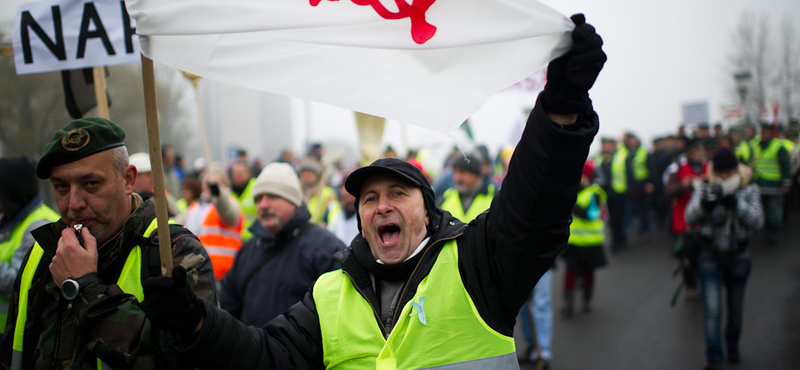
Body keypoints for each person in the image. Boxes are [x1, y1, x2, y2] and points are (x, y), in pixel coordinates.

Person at [141, 14, 605, 369]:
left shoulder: (476, 263)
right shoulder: (329, 293)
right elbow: (266, 355)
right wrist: (196, 319)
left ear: (427, 208)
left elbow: (534, 207)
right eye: (368, 199)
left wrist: (561, 108)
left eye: (398, 193)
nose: (381, 205)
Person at [0, 117, 217, 369]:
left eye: (91, 184)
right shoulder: (43, 250)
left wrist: (86, 288)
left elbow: (189, 358)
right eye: (61, 187)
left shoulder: (174, 252)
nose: (74, 203)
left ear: (128, 180)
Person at [221, 163, 345, 327]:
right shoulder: (247, 250)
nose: (264, 205)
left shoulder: (326, 248)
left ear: (293, 201)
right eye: (258, 199)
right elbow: (229, 310)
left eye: (272, 197)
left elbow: (337, 316)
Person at [684, 148, 763, 370]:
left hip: (739, 256)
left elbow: (757, 222)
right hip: (710, 256)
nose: (725, 177)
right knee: (712, 310)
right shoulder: (705, 187)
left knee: (735, 311)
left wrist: (736, 205)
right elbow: (688, 217)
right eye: (721, 172)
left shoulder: (749, 189)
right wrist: (704, 206)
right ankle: (714, 358)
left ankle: (732, 347)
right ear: (714, 172)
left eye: (729, 172)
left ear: (736, 170)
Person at [0, 156, 60, 343]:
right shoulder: (10, 219)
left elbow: (20, 284)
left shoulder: (39, 226)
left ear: (11, 192)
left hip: (20, 334)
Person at [559, 160, 607, 318]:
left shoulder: (595, 192)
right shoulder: (572, 190)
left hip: (590, 243)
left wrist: (571, 205)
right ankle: (569, 305)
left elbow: (592, 214)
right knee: (570, 272)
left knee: (588, 273)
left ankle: (586, 300)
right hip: (573, 241)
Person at [184, 164, 244, 281]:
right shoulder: (195, 207)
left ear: (224, 184)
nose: (209, 186)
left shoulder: (230, 202)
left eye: (214, 183)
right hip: (199, 272)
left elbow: (229, 215)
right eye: (206, 182)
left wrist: (219, 195)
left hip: (224, 273)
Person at [665, 139, 707, 298]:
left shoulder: (707, 166)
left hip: (703, 219)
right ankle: (690, 285)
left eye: (701, 150)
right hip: (685, 221)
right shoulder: (677, 169)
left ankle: (706, 282)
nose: (700, 153)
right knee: (687, 256)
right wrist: (683, 185)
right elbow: (668, 192)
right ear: (689, 153)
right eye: (696, 150)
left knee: (705, 255)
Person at [752, 122, 791, 245]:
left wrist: (786, 183)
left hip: (774, 186)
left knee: (774, 213)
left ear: (771, 133)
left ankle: (774, 232)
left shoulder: (778, 147)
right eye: (761, 131)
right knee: (764, 213)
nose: (762, 134)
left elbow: (786, 167)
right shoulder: (757, 146)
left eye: (765, 132)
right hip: (760, 186)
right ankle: (769, 232)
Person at [437, 152, 496, 222]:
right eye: (455, 172)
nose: (457, 177)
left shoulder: (494, 196)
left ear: (476, 175)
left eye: (462, 172)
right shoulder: (446, 197)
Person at [325, 171, 360, 244]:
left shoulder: (364, 213)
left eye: (352, 187)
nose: (347, 192)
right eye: (344, 187)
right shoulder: (333, 207)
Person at [229, 161, 258, 240]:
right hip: (235, 240)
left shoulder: (256, 187)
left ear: (249, 173)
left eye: (241, 172)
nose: (238, 175)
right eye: (235, 173)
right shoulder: (229, 193)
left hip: (253, 239)